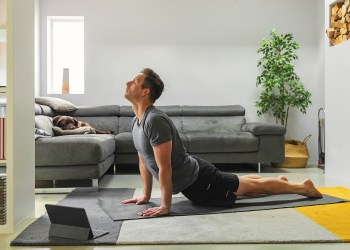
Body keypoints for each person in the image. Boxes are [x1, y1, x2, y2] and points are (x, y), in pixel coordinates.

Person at [121, 68, 322, 217]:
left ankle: (303, 188)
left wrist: (165, 206)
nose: (128, 82)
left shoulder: (154, 120)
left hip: (200, 180)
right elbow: (144, 161)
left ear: (146, 91)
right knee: (243, 184)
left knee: (249, 188)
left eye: (134, 81)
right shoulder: (136, 121)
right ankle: (277, 183)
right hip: (194, 180)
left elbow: (164, 168)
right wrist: (146, 196)